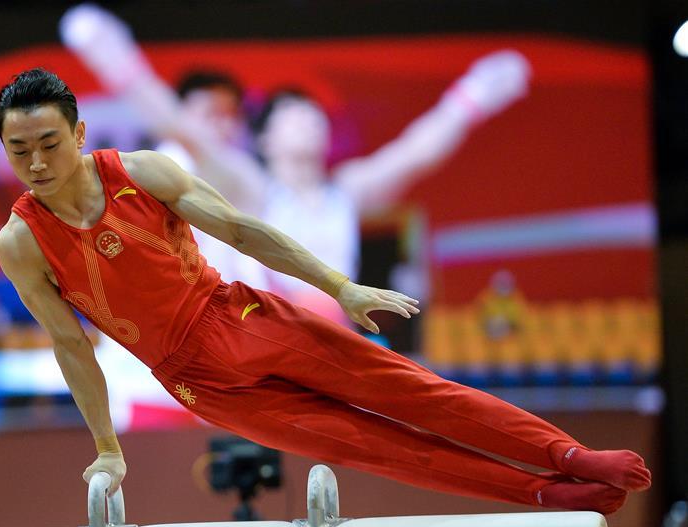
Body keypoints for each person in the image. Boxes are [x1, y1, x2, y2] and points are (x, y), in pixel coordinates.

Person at [0, 68, 651, 515]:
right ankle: (542, 492)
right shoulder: (20, 242)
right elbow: (68, 344)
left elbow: (245, 231)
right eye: (19, 151)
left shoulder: (142, 173)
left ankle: (566, 454)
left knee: (408, 392)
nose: (38, 163)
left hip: (238, 315)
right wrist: (107, 446)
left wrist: (340, 286)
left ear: (78, 134)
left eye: (49, 143)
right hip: (191, 379)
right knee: (371, 446)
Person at [59, 4, 531, 324]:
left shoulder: (347, 189)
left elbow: (416, 152)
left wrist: (474, 97)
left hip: (340, 330)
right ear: (266, 137)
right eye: (294, 117)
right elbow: (182, 126)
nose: (309, 123)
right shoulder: (253, 188)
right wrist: (110, 53)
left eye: (315, 117)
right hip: (277, 330)